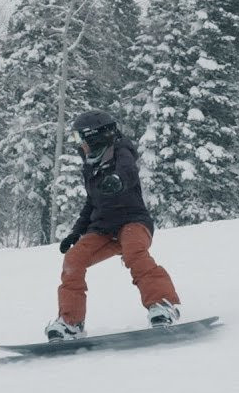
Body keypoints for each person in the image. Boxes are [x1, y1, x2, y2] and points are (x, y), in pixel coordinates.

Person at [44, 110, 181, 341]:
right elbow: (91, 203)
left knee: (134, 252)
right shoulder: (89, 164)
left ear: (95, 136)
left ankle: (163, 305)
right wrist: (75, 233)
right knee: (73, 260)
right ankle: (70, 322)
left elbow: (127, 170)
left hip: (133, 221)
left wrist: (117, 180)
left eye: (80, 138)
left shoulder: (120, 151)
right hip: (102, 230)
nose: (79, 144)